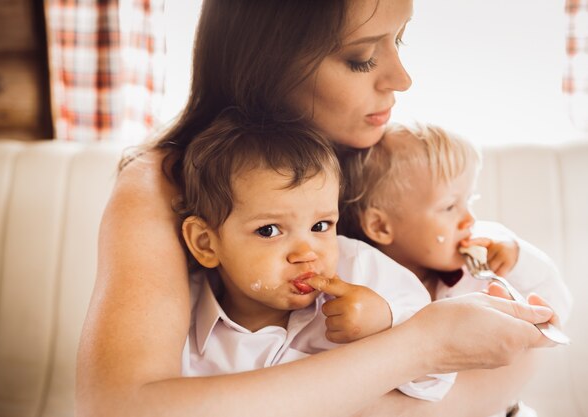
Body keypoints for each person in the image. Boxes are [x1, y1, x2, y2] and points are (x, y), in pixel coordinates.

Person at [76, 1, 559, 416]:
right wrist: (424, 344)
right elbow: (121, 407)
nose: (403, 79)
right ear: (269, 62)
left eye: (401, 41)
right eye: (362, 58)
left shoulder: (389, 159)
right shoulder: (162, 184)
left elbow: (520, 349)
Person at [177, 109, 455, 401]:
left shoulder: (359, 269)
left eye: (320, 226)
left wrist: (385, 319)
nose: (306, 253)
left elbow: (441, 369)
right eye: (269, 230)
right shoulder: (183, 325)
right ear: (206, 244)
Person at [337, 122, 572, 416]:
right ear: (380, 226)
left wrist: (518, 258)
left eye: (470, 200)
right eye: (449, 207)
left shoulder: (483, 259)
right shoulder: (366, 285)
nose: (469, 219)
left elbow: (558, 304)